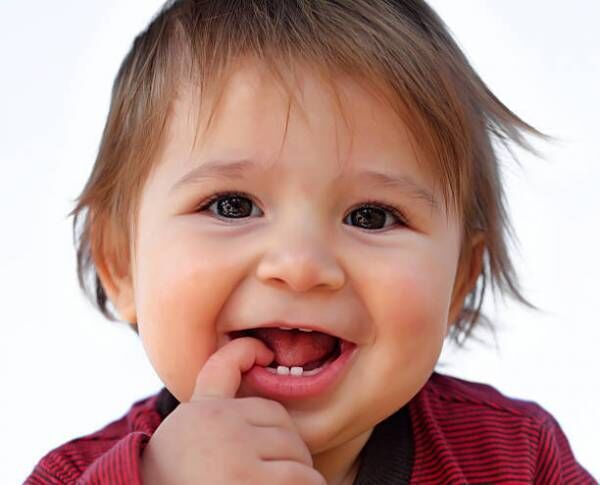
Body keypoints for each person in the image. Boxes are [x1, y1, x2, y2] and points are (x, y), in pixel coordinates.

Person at [25, 1, 595, 484]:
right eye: (232, 205)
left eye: (371, 216)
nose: (300, 267)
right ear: (120, 263)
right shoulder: (73, 474)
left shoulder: (517, 457)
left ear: (458, 283)